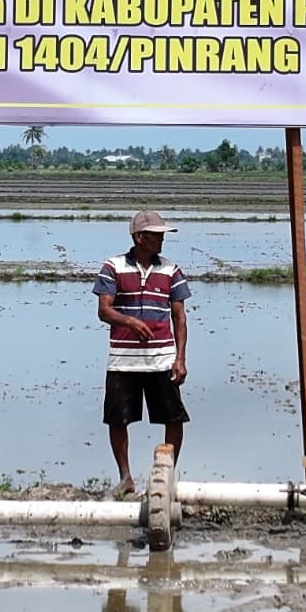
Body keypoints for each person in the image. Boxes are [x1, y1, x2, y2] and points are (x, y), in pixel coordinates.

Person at [94, 211, 192, 492]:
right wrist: (130, 321)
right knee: (117, 419)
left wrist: (180, 358)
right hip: (123, 360)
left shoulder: (171, 270)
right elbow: (104, 310)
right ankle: (125, 477)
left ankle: (166, 476)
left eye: (162, 235)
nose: (161, 240)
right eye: (155, 235)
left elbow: (180, 317)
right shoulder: (112, 267)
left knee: (174, 418)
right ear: (139, 237)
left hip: (161, 359)